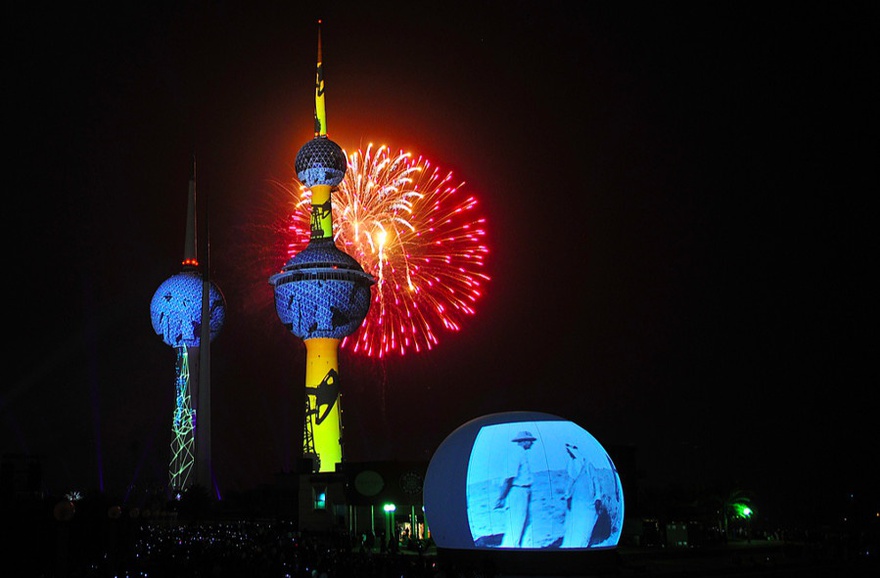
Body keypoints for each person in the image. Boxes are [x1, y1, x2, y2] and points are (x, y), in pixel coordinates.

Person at [495, 430, 537, 547]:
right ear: (523, 441)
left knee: (525, 523)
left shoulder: (521, 453)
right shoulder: (515, 454)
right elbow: (508, 478)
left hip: (524, 492)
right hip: (517, 492)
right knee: (516, 525)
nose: (532, 443)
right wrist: (501, 497)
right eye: (530, 441)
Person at [561, 442, 599, 548]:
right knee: (575, 522)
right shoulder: (571, 464)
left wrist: (598, 498)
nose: (570, 455)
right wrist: (567, 496)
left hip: (588, 500)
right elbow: (570, 481)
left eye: (570, 452)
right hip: (576, 500)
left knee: (587, 522)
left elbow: (596, 482)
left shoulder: (588, 465)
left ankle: (583, 543)